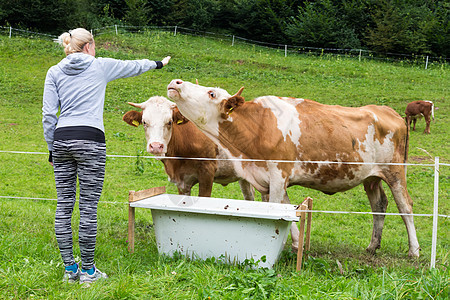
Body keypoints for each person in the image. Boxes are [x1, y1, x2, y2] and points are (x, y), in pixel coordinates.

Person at [42, 28, 171, 285]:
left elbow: (48, 115)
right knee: (88, 207)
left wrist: (52, 148)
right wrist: (158, 64)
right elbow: (132, 66)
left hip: (62, 139)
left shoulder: (54, 71)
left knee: (64, 205)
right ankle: (88, 272)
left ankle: (70, 269)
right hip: (91, 140)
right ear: (89, 46)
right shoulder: (99, 66)